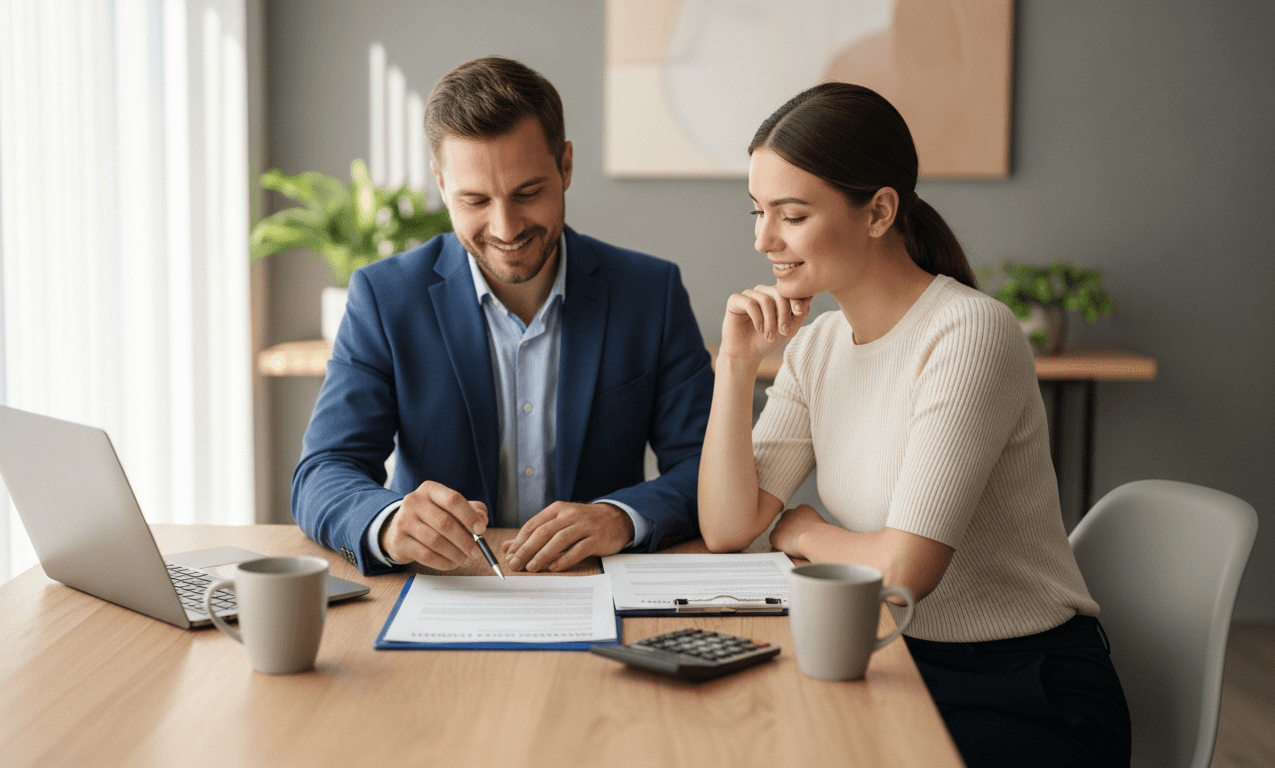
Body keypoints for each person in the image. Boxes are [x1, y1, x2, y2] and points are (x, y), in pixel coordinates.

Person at [698, 82, 1130, 767]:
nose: (762, 238)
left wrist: (804, 529)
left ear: (878, 212)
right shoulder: (818, 345)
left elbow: (906, 569)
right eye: (756, 212)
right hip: (895, 660)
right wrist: (737, 368)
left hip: (1025, 693)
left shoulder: (968, 335)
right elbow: (727, 528)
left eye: (791, 214)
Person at [292, 57, 713, 577]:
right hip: (446, 590)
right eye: (475, 199)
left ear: (566, 166)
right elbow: (322, 472)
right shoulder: (384, 298)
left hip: (596, 587)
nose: (505, 226)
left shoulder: (651, 293)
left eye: (528, 193)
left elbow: (706, 470)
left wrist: (621, 518)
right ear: (442, 185)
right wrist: (388, 522)